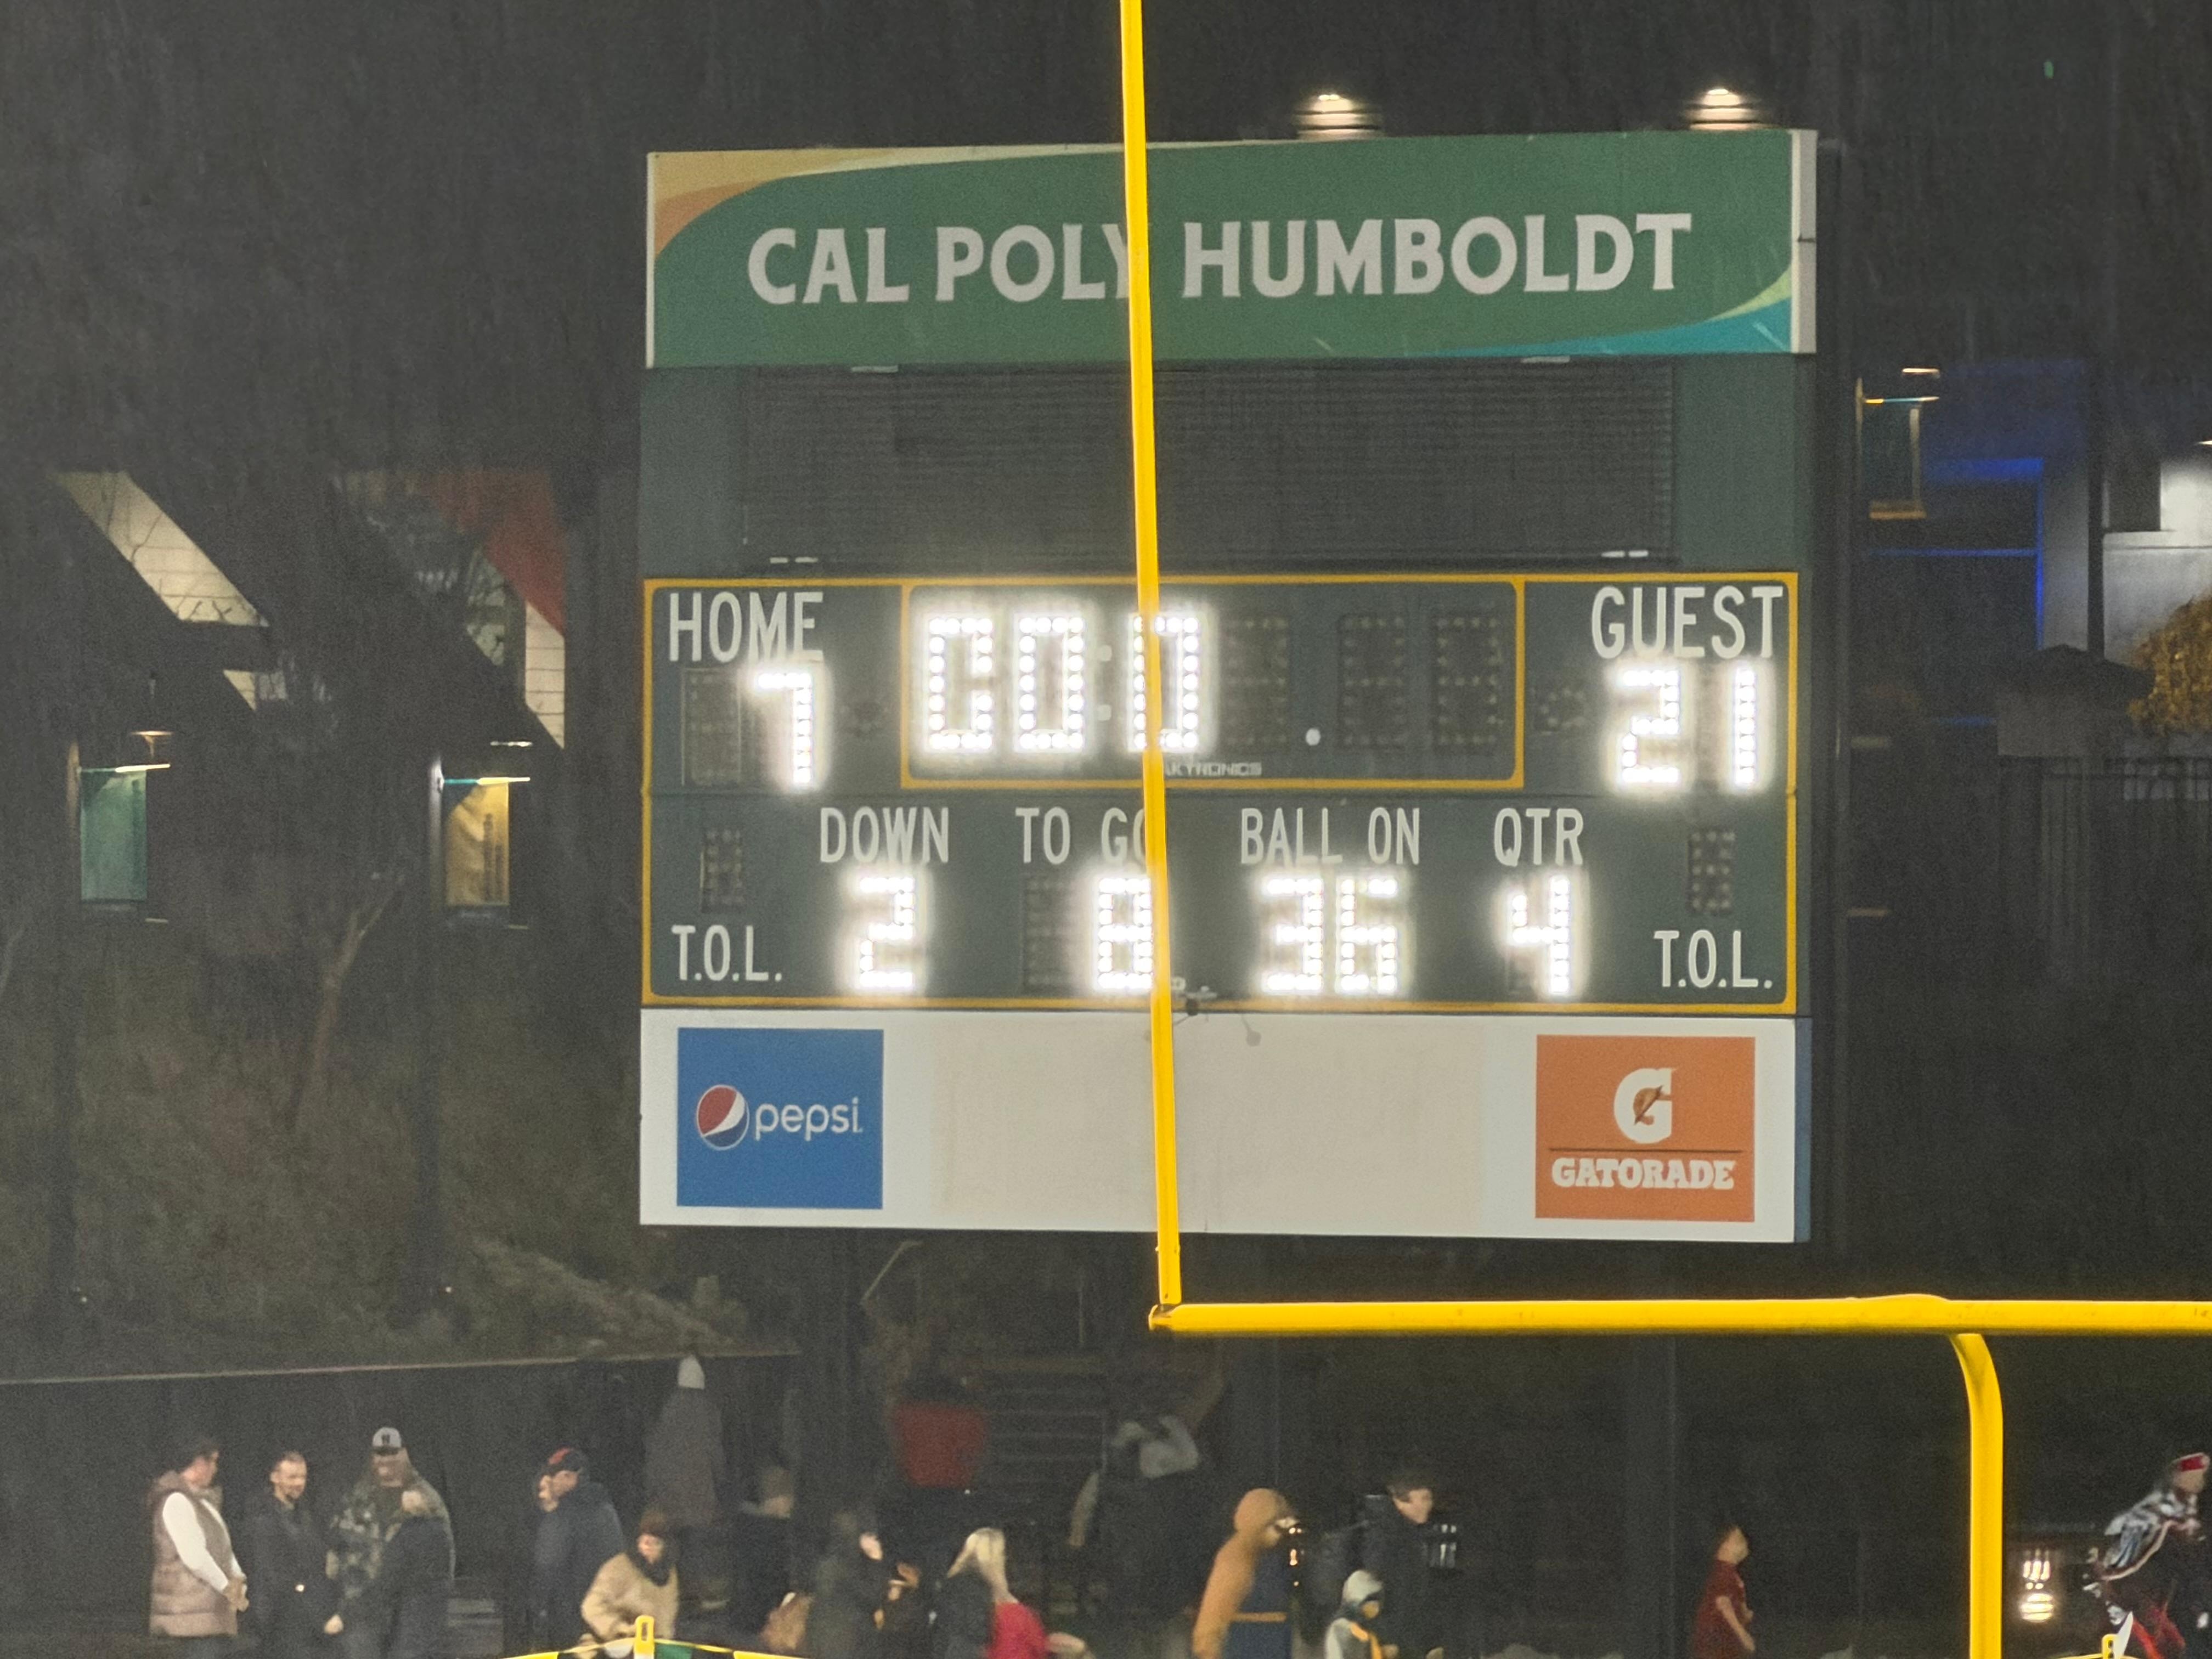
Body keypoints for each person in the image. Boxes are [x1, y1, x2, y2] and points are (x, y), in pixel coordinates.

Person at [331, 1429, 451, 1659]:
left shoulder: (424, 1498)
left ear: (404, 1454)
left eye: (392, 1453)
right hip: (363, 1613)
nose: (386, 1460)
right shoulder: (358, 1496)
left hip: (408, 1616)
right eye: (380, 1454)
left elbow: (444, 1557)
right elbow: (337, 1548)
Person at [2097, 1454, 2212, 1659]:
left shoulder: (2189, 1513)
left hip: (2178, 1596)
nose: (2199, 1483)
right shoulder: (2153, 1516)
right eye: (2193, 1477)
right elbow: (2129, 1561)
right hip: (2147, 1592)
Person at [148, 1434, 248, 1653]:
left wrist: (239, 1579)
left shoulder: (204, 1503)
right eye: (213, 1461)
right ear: (199, 1462)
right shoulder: (176, 1501)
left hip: (211, 1618)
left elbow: (224, 1548)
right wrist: (228, 1588)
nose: (216, 1469)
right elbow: (195, 1557)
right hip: (189, 1622)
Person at [241, 1449, 340, 1658]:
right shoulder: (262, 1519)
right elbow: (270, 1576)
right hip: (280, 1621)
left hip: (309, 1618)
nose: (299, 1483)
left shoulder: (305, 1514)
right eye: (292, 1477)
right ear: (275, 1477)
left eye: (303, 1477)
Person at [525, 1447, 626, 1649]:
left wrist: (550, 1513)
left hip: (571, 1618)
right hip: (605, 1613)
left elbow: (548, 1561)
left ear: (569, 1477)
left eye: (552, 1477)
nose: (548, 1481)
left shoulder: (566, 1513)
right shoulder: (604, 1507)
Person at [645, 1357, 728, 1601]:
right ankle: (697, 1592)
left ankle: (676, 1593)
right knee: (698, 1544)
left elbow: (656, 1456)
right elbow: (716, 1455)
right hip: (700, 1493)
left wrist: (655, 1489)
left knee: (675, 1544)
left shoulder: (668, 1411)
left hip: (672, 1495)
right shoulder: (708, 1412)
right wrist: (719, 1483)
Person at [1193, 1490, 1297, 1659]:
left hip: (1272, 1647)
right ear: (1258, 1524)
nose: (1280, 1534)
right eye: (1276, 1527)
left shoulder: (1272, 1556)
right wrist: (1209, 1650)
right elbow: (1213, 1614)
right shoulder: (1236, 1558)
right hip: (1246, 1648)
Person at [353, 1487, 453, 1659]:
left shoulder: (406, 1535)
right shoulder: (440, 1531)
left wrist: (373, 1600)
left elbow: (392, 1574)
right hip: (434, 1606)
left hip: (409, 1609)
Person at [1360, 1468, 1441, 1659]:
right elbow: (1382, 1588)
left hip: (1403, 1637)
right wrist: (1389, 1639)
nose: (1430, 1504)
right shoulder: (1388, 1535)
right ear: (1402, 1501)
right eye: (1424, 1498)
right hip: (1393, 1641)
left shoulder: (1403, 1532)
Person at [584, 1508, 682, 1657]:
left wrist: (663, 1640)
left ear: (666, 1547)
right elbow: (592, 1606)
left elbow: (668, 1612)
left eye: (656, 1543)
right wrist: (620, 1630)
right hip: (611, 1646)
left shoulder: (668, 1572)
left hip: (652, 1647)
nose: (648, 1547)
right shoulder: (619, 1566)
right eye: (645, 1542)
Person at [944, 1528, 1049, 1659]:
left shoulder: (952, 1596)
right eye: (1003, 1553)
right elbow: (1040, 1647)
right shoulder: (1014, 1614)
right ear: (997, 1559)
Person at [808, 1508, 892, 1659]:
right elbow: (875, 1596)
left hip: (825, 1641)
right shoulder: (848, 1568)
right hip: (849, 1644)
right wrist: (876, 1559)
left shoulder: (827, 1564)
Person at [1688, 1525, 1754, 1659]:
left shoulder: (1728, 1572)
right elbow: (1723, 1604)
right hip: (1717, 1640)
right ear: (1724, 1546)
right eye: (1739, 1540)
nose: (1744, 1544)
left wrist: (1744, 1612)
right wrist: (1743, 1635)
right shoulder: (1723, 1573)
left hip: (1721, 1640)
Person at [1324, 1572, 1385, 1659]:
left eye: (1377, 1604)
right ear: (1357, 1603)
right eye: (1372, 1604)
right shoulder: (1341, 1627)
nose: (1376, 1609)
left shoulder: (1370, 1628)